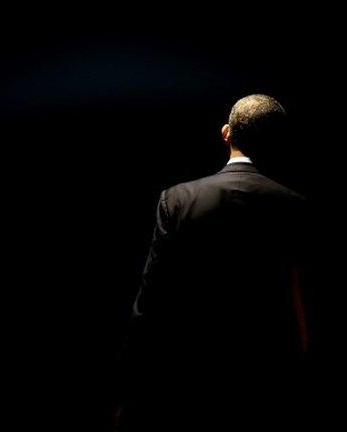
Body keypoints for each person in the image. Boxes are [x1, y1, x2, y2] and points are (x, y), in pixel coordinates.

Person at [124, 95, 308, 430]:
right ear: (278, 139)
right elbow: (303, 300)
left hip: (189, 374)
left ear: (227, 132)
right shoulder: (295, 207)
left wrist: (133, 387)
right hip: (267, 376)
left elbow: (151, 297)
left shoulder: (178, 200)